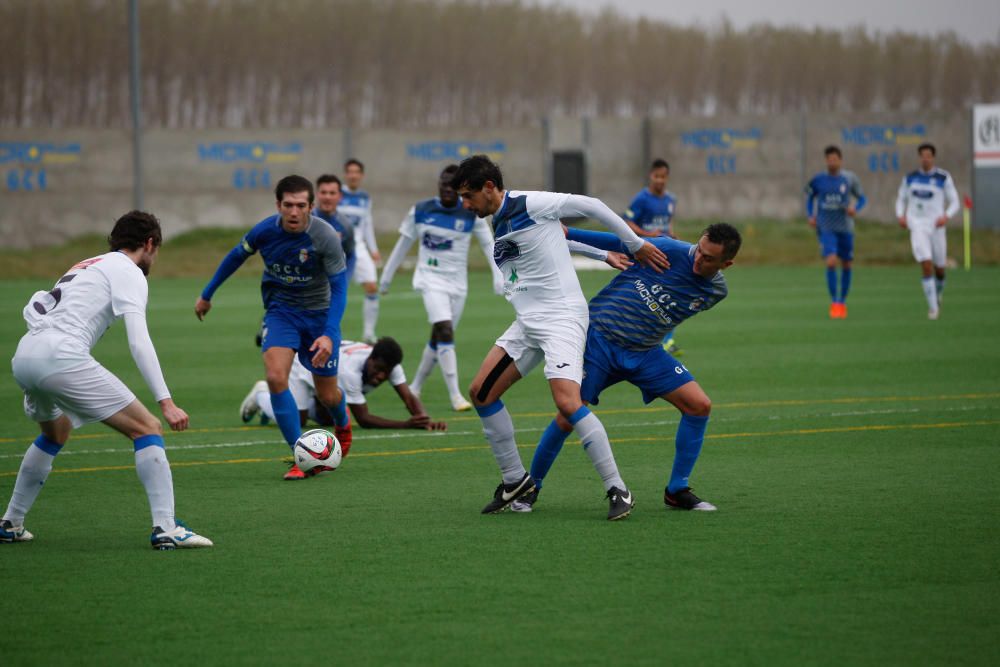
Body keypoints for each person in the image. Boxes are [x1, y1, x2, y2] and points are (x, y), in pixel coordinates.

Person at [450, 154, 670, 520]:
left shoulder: (528, 202)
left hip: (562, 317)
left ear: (489, 187)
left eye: (468, 195)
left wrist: (632, 244)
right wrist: (601, 254)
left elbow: (592, 205)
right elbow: (554, 238)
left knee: (568, 402)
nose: (464, 203)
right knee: (481, 393)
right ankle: (516, 481)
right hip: (528, 321)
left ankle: (618, 489)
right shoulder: (498, 219)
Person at [2, 211, 212, 550]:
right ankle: (166, 527)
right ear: (148, 244)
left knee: (56, 432)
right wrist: (166, 401)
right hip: (60, 354)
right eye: (156, 250)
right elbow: (138, 341)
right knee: (147, 428)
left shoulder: (87, 263)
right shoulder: (128, 270)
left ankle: (11, 521)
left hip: (26, 354)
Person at [514, 223, 741, 515]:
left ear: (727, 264)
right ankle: (531, 487)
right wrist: (569, 232)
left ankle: (677, 490)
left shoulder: (716, 291)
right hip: (599, 342)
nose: (698, 259)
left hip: (644, 353)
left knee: (699, 406)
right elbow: (621, 241)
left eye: (709, 258)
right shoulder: (670, 250)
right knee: (568, 415)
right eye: (699, 250)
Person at [195, 175, 349, 481]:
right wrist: (207, 294)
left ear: (311, 206)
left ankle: (343, 427)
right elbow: (235, 257)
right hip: (282, 312)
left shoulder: (326, 236)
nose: (294, 212)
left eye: (301, 206)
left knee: (328, 395)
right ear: (278, 205)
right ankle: (300, 454)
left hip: (319, 316)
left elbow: (340, 288)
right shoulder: (264, 231)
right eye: (288, 205)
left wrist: (329, 334)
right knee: (276, 377)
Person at [378, 164, 504, 412]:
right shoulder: (421, 210)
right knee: (445, 331)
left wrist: (498, 276)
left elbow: (489, 244)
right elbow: (403, 244)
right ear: (438, 184)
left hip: (458, 285)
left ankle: (414, 387)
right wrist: (386, 277)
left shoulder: (469, 211)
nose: (447, 189)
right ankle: (456, 395)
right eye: (443, 184)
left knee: (438, 339)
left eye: (452, 185)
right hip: (429, 279)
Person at [241, 338, 446, 436]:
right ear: (371, 358)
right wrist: (406, 425)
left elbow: (408, 397)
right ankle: (262, 394)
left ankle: (276, 404)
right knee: (298, 420)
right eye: (378, 369)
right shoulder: (351, 371)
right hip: (302, 366)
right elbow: (364, 419)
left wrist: (424, 420)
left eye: (386, 373)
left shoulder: (390, 365)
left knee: (328, 418)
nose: (381, 376)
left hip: (327, 375)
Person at [895, 143, 959, 320]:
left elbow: (955, 202)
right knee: (926, 264)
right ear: (919, 157)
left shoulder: (943, 177)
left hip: (936, 226)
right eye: (922, 155)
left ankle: (937, 294)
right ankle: (933, 309)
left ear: (933, 157)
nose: (925, 158)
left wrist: (946, 216)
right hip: (917, 225)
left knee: (940, 268)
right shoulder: (910, 178)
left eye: (928, 155)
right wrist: (900, 215)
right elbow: (900, 199)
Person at [623, 158, 682, 354]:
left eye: (663, 177)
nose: (660, 180)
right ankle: (638, 338)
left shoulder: (670, 200)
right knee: (643, 298)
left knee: (669, 296)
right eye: (657, 176)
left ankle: (667, 341)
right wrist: (650, 235)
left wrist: (671, 235)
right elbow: (627, 222)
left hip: (665, 255)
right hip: (645, 256)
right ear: (651, 176)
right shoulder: (642, 198)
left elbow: (668, 223)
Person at [805, 146, 866, 319]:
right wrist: (811, 215)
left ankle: (842, 300)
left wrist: (856, 208)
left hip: (846, 227)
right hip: (826, 227)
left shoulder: (849, 178)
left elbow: (862, 198)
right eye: (829, 159)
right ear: (826, 160)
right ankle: (835, 303)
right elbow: (810, 197)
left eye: (835, 159)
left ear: (840, 160)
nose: (832, 162)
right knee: (831, 261)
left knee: (846, 264)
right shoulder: (818, 179)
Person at [340, 158, 381, 343]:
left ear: (361, 175)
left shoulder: (365, 198)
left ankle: (368, 333)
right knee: (335, 290)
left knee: (372, 286)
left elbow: (367, 224)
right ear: (345, 174)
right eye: (350, 171)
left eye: (357, 172)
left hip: (359, 247)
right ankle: (328, 330)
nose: (353, 175)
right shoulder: (336, 193)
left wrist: (373, 249)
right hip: (338, 248)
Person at [314, 173, 356, 275]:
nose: (327, 197)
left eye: (332, 193)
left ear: (340, 196)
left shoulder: (346, 225)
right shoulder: (305, 220)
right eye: (323, 192)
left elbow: (350, 255)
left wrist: (344, 281)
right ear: (317, 194)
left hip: (332, 283)